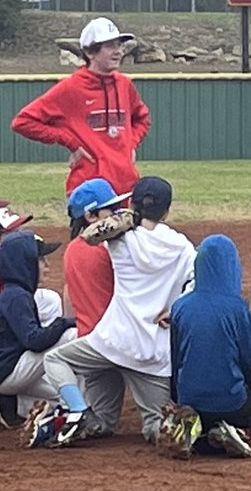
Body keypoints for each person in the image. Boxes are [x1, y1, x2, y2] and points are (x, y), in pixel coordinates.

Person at [30, 176, 195, 448]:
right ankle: (187, 434)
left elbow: (90, 235)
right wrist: (174, 309)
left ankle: (76, 410)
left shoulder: (121, 240)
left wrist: (129, 218)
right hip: (152, 349)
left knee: (56, 361)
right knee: (156, 423)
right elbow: (195, 281)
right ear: (167, 211)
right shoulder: (183, 247)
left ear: (132, 205)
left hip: (112, 340)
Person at [160, 235, 251, 459]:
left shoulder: (180, 307)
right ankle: (228, 430)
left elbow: (177, 358)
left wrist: (179, 400)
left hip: (191, 400)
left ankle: (202, 431)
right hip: (230, 401)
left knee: (204, 407)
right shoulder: (237, 308)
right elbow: (249, 359)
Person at [11, 16, 151, 196]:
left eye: (119, 45)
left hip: (126, 184)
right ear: (90, 52)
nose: (118, 52)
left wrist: (131, 144)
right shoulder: (70, 88)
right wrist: (70, 142)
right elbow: (22, 122)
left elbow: (142, 119)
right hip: (90, 189)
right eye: (109, 46)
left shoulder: (124, 84)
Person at [0, 231, 77, 412]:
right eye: (41, 260)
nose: (47, 265)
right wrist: (65, 322)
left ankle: (13, 406)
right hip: (8, 373)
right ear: (25, 264)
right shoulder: (16, 296)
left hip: (7, 373)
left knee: (58, 395)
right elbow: (34, 341)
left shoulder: (15, 293)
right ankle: (77, 410)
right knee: (70, 335)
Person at [63, 178, 130, 337]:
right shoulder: (110, 247)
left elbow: (68, 299)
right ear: (91, 216)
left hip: (86, 340)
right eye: (112, 209)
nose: (118, 213)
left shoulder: (71, 249)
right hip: (116, 340)